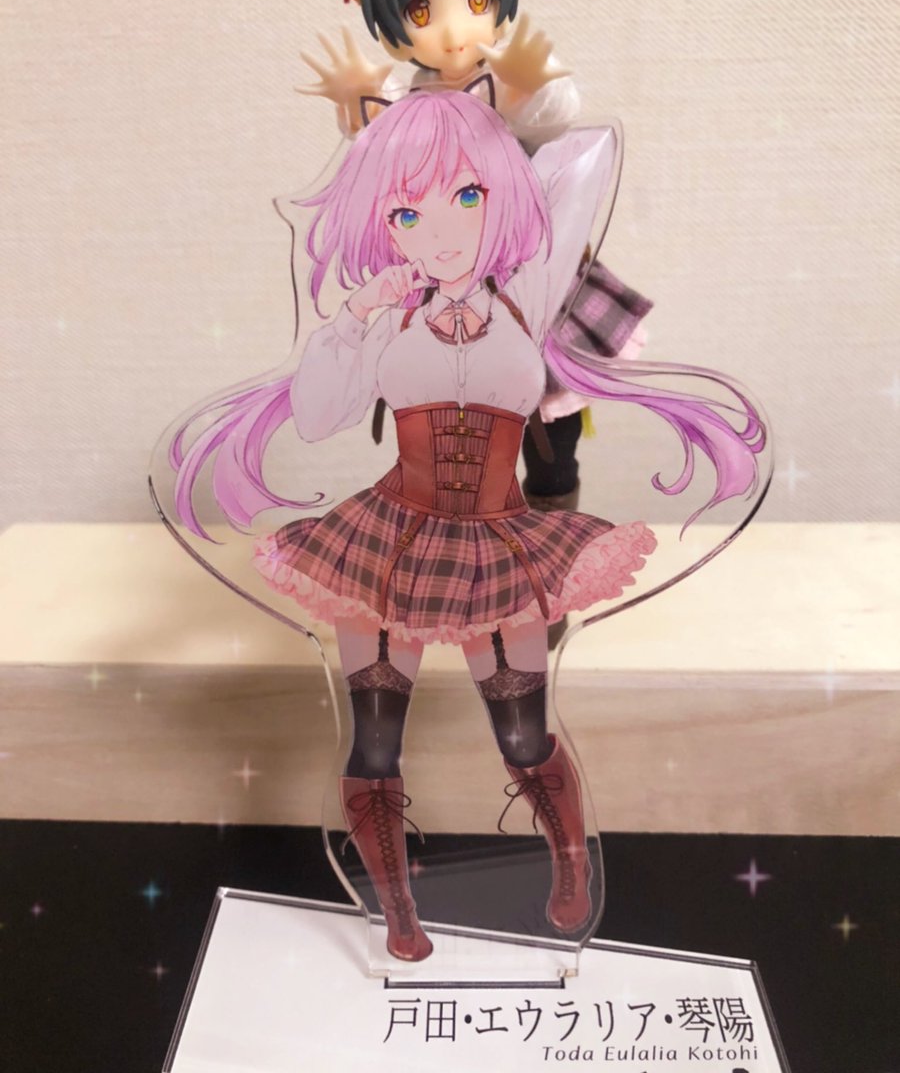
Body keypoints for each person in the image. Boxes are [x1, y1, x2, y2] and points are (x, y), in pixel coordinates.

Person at [169, 91, 765, 961]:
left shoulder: (529, 288)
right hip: (386, 541)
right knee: (376, 741)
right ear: (382, 223)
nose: (440, 232)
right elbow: (321, 414)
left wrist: (505, 103)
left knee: (522, 733)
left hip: (499, 541)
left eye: (468, 197)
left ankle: (569, 865)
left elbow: (589, 154)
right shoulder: (386, 316)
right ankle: (397, 911)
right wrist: (355, 315)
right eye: (407, 212)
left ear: (502, 198)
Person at [294, 0, 654, 645]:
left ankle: (549, 579)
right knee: (456, 449)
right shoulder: (406, 100)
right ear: (389, 18)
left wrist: (529, 85)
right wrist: (356, 108)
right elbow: (380, 167)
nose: (455, 29)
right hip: (445, 295)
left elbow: (558, 118)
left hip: (538, 289)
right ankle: (471, 579)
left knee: (550, 440)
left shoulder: (512, 84)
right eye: (421, 10)